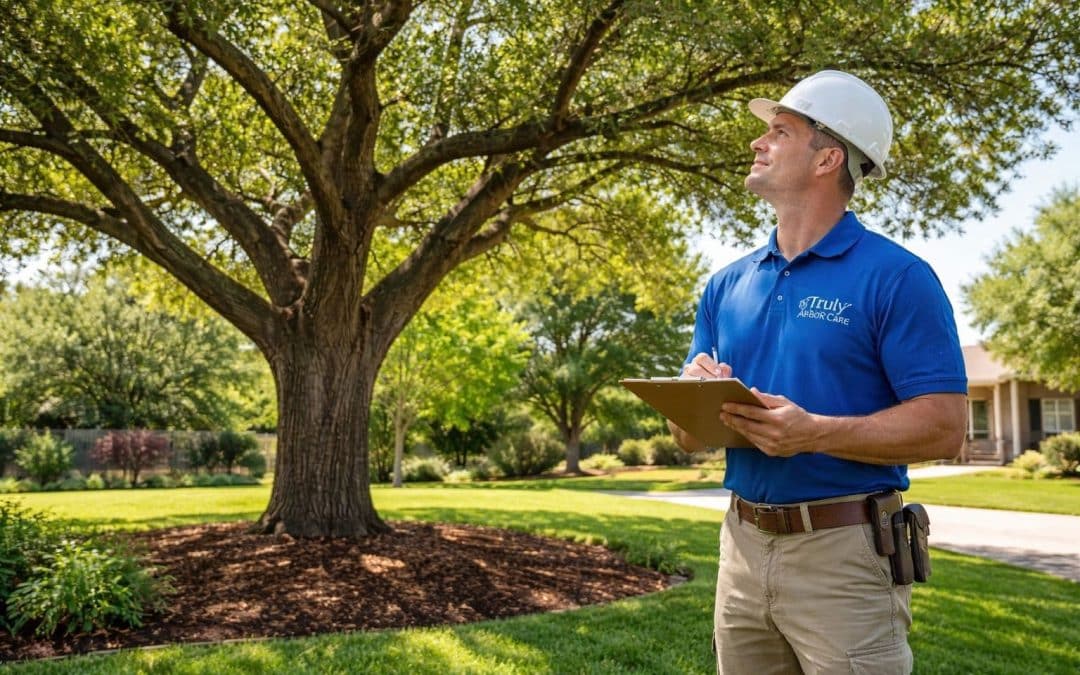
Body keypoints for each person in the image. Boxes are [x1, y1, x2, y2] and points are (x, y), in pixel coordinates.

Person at [668, 70, 968, 675]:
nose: (757, 143)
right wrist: (693, 399)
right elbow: (688, 440)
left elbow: (945, 428)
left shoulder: (898, 278)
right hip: (741, 548)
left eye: (779, 131)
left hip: (847, 554)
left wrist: (815, 432)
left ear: (829, 157)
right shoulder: (726, 284)